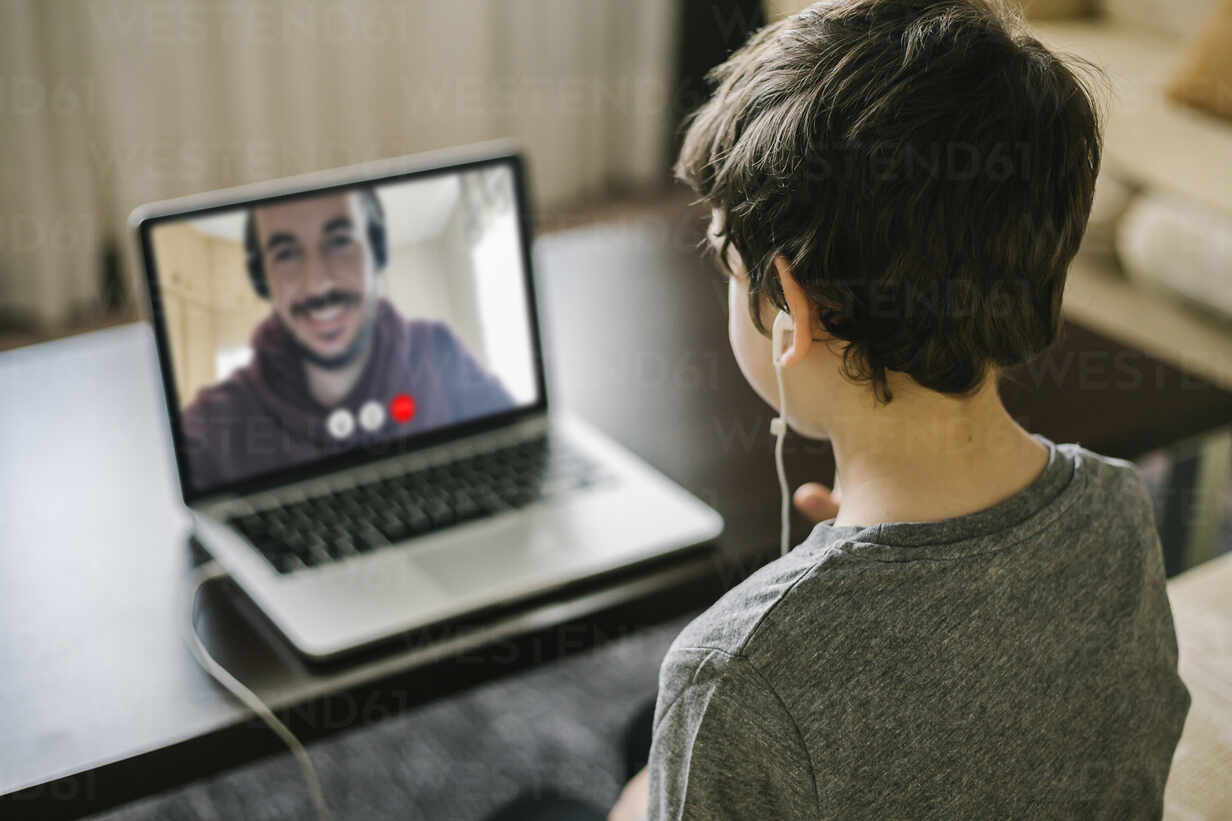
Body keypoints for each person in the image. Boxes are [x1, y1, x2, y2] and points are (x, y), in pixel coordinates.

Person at [490, 0, 1190, 818]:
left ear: (795, 306)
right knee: (649, 728)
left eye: (724, 260)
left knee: (542, 802)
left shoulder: (733, 672)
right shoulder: (1120, 508)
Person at [179, 187, 516, 491]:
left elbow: (515, 449)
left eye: (340, 241)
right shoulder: (213, 426)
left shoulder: (440, 353)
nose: (318, 284)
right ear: (262, 279)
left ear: (376, 251)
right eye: (285, 254)